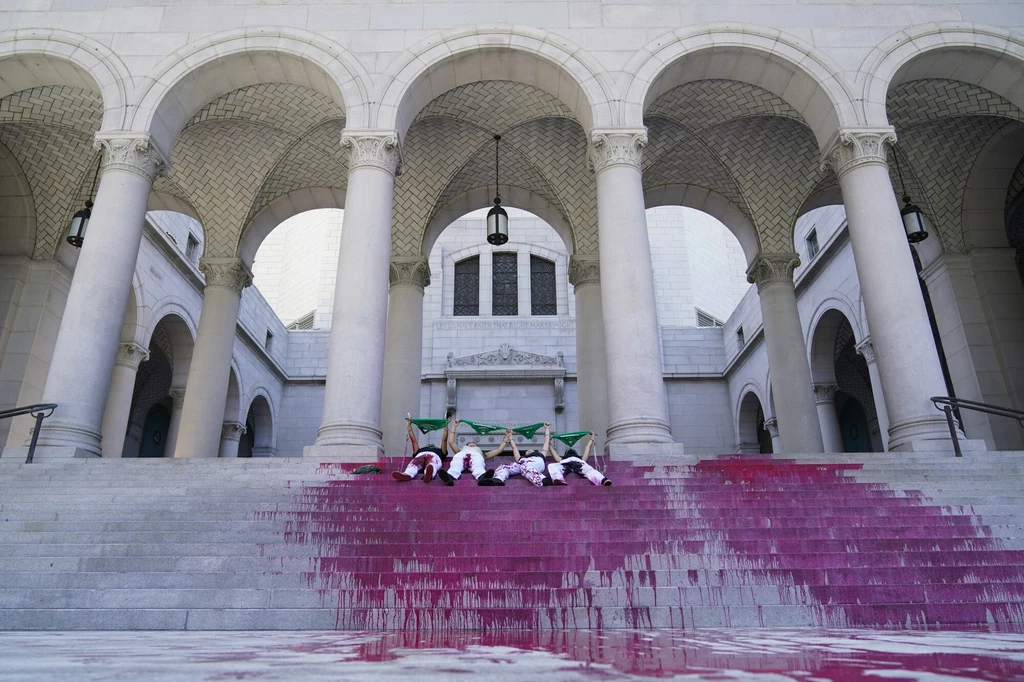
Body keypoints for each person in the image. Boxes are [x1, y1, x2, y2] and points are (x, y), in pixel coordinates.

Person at [439, 419, 511, 485]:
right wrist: (454, 426)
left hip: (476, 457)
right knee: (456, 464)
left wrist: (507, 437)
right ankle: (449, 477)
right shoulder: (460, 450)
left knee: (478, 465)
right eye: (469, 442)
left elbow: (498, 450)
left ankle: (483, 477)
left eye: (474, 443)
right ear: (466, 445)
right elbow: (451, 442)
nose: (472, 443)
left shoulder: (482, 453)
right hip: (462, 455)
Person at [482, 423, 552, 487]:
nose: (528, 450)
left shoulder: (540, 455)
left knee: (525, 466)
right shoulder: (521, 458)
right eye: (526, 451)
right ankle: (498, 479)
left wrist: (547, 429)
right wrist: (510, 437)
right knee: (504, 467)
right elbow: (514, 447)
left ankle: (542, 480)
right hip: (522, 464)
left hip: (536, 463)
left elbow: (546, 441)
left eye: (531, 450)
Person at [392, 418, 450, 483]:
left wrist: (446, 425)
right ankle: (407, 474)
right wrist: (409, 427)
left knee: (432, 463)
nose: (431, 445)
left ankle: (428, 474)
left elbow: (444, 440)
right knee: (415, 463)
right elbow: (413, 441)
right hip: (421, 455)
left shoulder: (440, 451)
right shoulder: (420, 450)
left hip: (434, 456)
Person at [548, 431, 612, 486]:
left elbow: (588, 448)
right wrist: (549, 443)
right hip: (565, 464)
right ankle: (558, 479)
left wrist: (592, 438)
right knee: (551, 465)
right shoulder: (562, 459)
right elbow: (587, 448)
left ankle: (603, 480)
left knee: (589, 469)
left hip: (578, 463)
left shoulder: (580, 459)